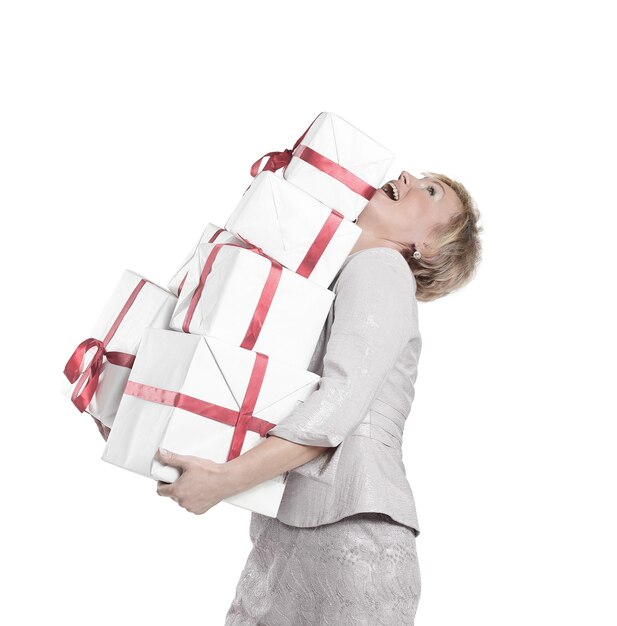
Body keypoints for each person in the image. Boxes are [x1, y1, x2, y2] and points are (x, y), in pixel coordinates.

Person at [115, 170, 482, 625]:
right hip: (303, 531)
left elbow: (339, 406)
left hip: (351, 531)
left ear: (427, 246)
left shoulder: (381, 267)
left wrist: (225, 480)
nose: (404, 175)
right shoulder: (329, 285)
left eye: (431, 191)